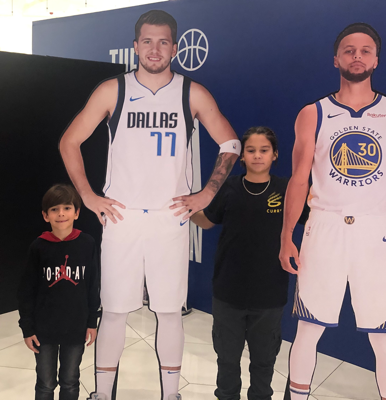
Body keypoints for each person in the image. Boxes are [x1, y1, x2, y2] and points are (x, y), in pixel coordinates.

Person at [59, 9, 239, 400]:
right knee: (114, 310)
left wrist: (207, 193)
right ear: (135, 46)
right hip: (122, 217)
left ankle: (170, 394)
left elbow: (231, 143)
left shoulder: (192, 92)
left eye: (163, 42)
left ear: (174, 48)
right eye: (147, 41)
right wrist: (88, 196)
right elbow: (69, 141)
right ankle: (102, 394)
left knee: (170, 311)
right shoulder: (113, 90)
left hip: (168, 218)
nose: (154, 49)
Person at [279, 23, 386, 400]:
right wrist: (286, 236)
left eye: (365, 51)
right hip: (324, 228)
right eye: (349, 50)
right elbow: (299, 180)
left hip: (377, 232)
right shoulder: (313, 113)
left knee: (385, 337)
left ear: (376, 60)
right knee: (308, 329)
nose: (357, 56)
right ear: (336, 60)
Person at [192, 127, 306, 400]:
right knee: (227, 360)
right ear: (242, 156)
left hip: (269, 294)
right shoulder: (230, 187)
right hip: (228, 292)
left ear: (275, 154)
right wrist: (184, 208)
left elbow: (315, 218)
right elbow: (206, 221)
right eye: (251, 151)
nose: (257, 156)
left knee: (264, 361)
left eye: (264, 150)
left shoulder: (287, 190)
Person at [18, 184, 100, 400]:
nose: (61, 213)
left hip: (76, 326)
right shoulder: (38, 247)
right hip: (44, 329)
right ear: (45, 216)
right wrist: (27, 328)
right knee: (45, 383)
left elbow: (93, 285)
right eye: (54, 209)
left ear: (77, 212)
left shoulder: (87, 243)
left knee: (70, 381)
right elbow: (26, 290)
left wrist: (92, 321)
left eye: (67, 208)